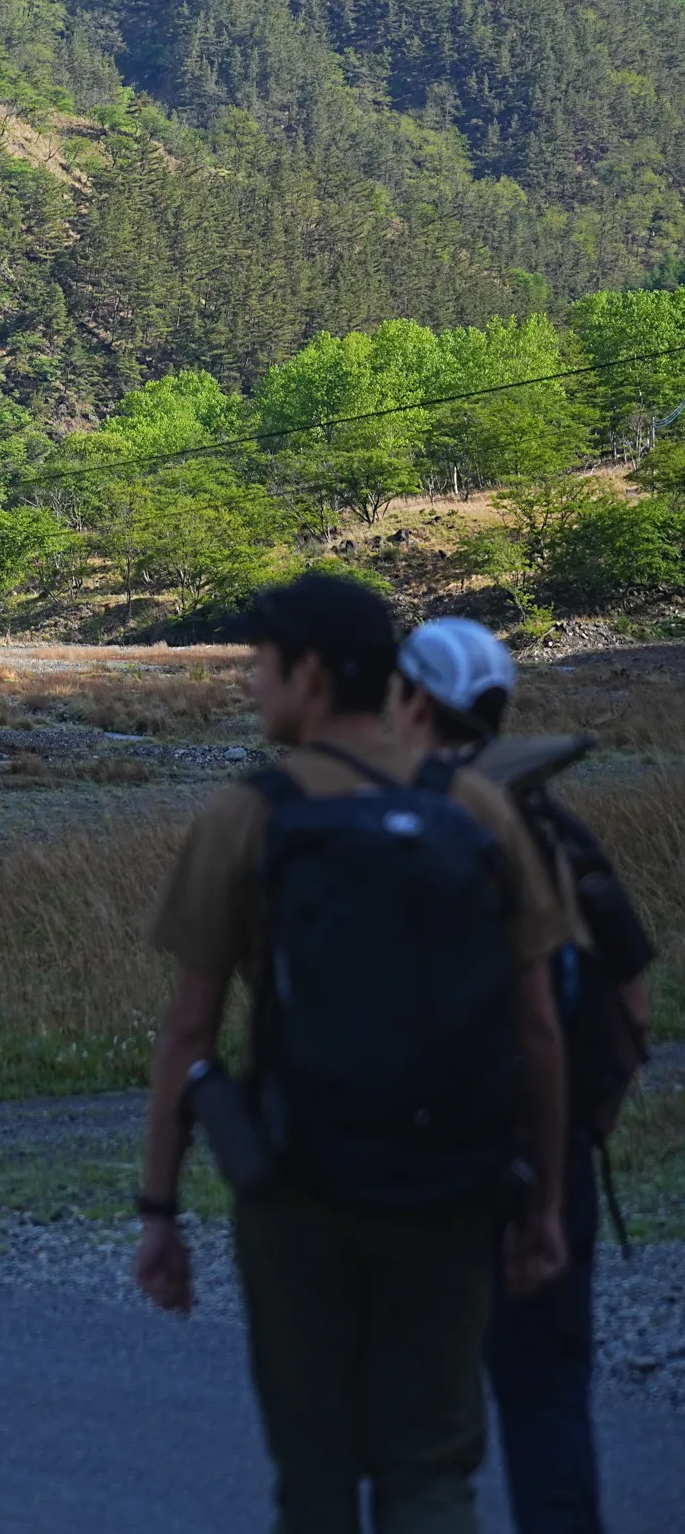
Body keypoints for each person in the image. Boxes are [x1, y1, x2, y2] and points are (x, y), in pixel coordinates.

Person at [134, 572, 570, 1534]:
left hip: (297, 1189)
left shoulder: (246, 816)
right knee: (431, 1471)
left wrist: (160, 1210)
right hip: (453, 1185)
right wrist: (540, 1198)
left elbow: (189, 1033)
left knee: (316, 1477)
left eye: (263, 662)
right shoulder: (482, 810)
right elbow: (536, 1028)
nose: (252, 680)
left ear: (315, 674)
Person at [390, 617, 654, 1534]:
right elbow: (631, 1004)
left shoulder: (373, 829)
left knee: (416, 1418)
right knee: (545, 1396)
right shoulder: (554, 828)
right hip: (549, 1155)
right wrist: (584, 1122)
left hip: (408, 1166)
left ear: (409, 699)